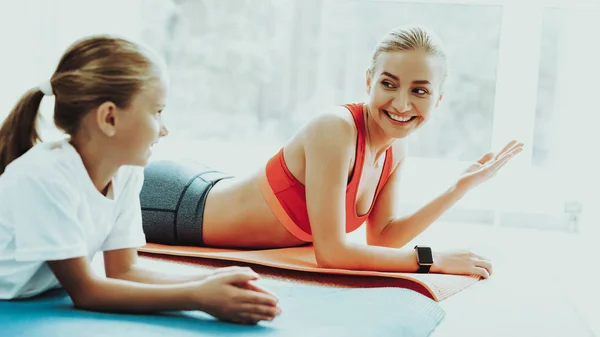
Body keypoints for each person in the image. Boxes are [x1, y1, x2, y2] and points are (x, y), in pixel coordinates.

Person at [141, 25, 523, 279]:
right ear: (368, 81)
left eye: (420, 91)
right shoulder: (335, 129)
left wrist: (458, 188)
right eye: (389, 84)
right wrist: (431, 259)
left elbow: (383, 239)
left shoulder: (395, 148)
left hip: (203, 186)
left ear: (438, 99)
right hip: (175, 205)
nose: (402, 104)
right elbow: (332, 253)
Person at [0, 35, 281, 325]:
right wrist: (198, 297)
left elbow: (124, 271)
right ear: (109, 118)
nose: (164, 129)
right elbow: (86, 291)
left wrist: (211, 280)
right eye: (157, 112)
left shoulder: (125, 173)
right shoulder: (46, 178)